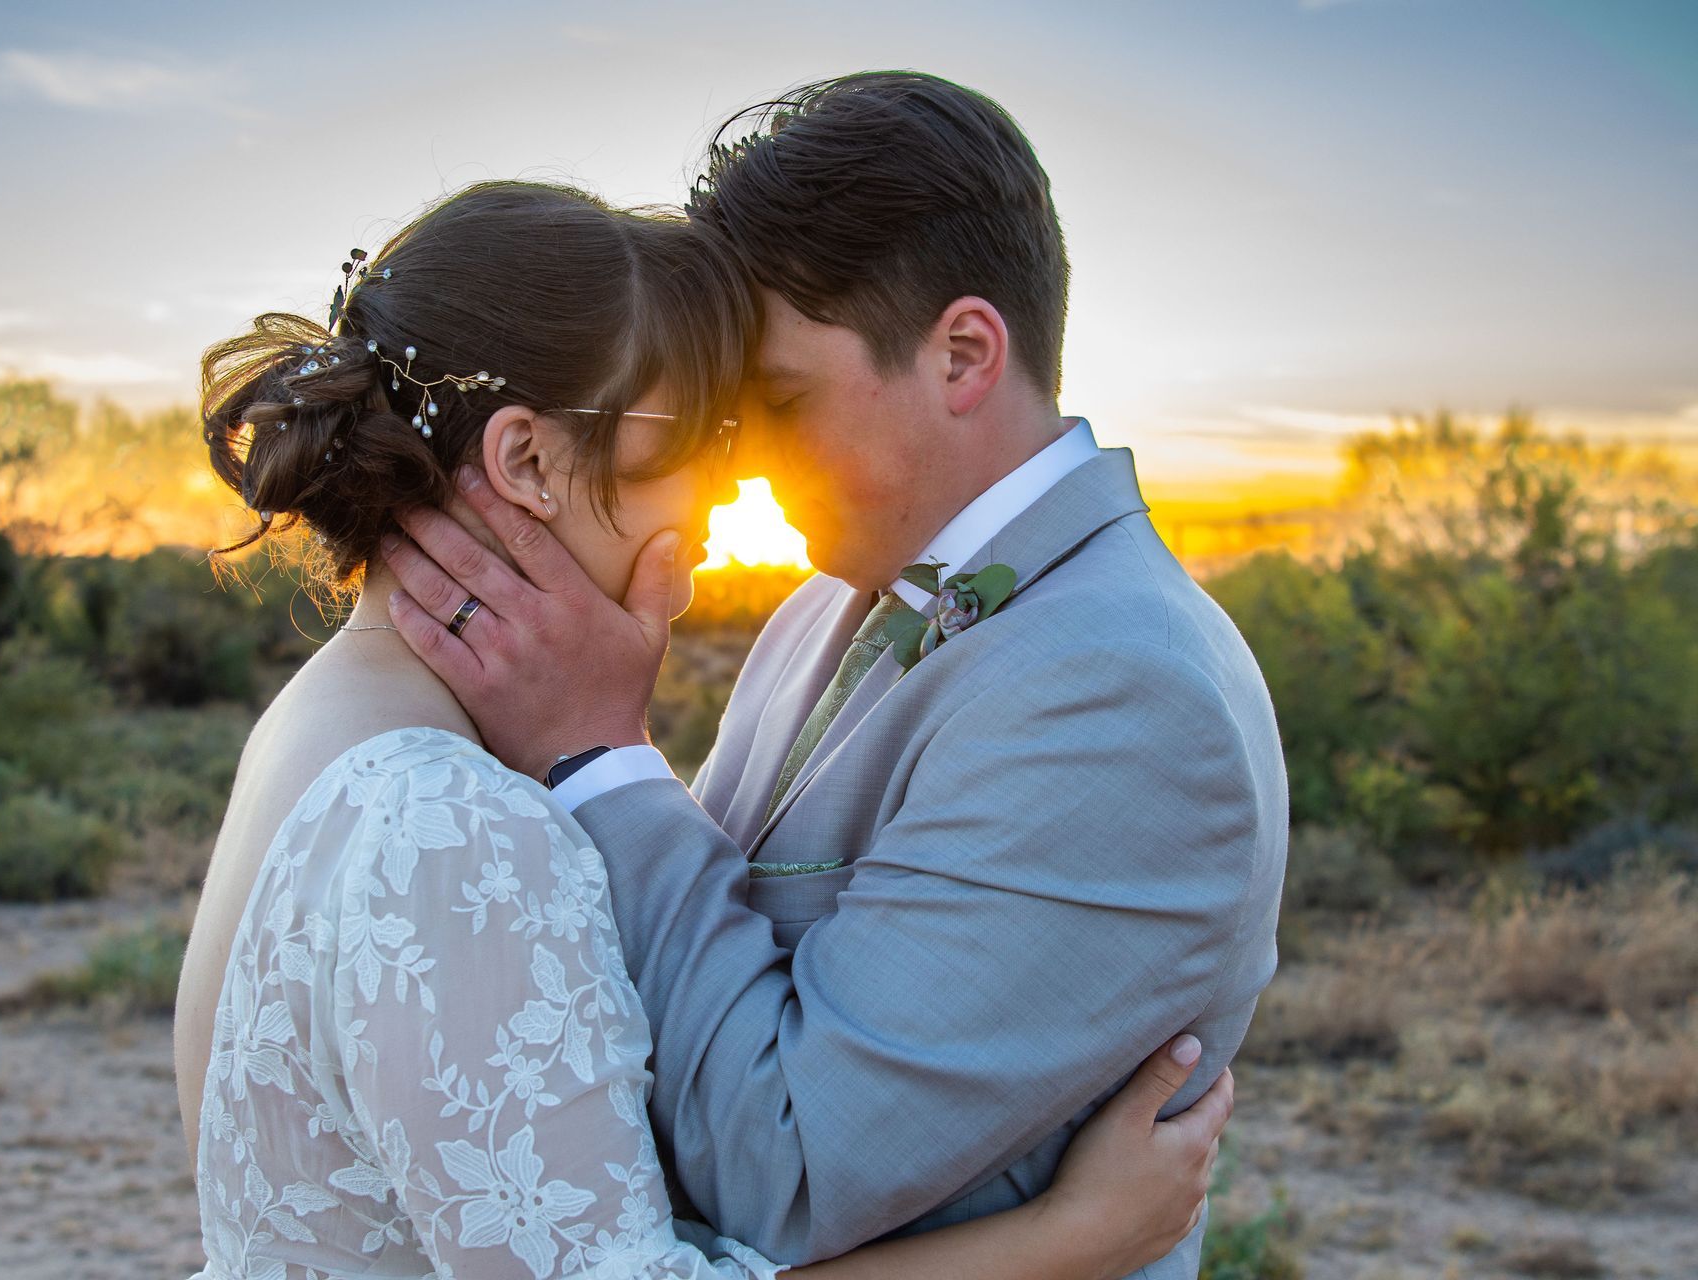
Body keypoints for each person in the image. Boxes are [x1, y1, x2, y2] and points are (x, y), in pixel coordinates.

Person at [175, 180, 1233, 1280]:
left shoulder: (312, 729)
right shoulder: (456, 823)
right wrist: (1068, 1240)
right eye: (699, 433)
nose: (733, 487)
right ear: (529, 461)